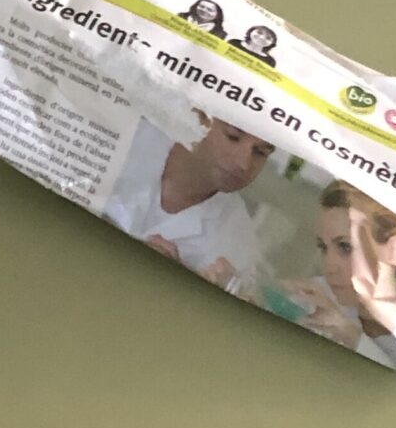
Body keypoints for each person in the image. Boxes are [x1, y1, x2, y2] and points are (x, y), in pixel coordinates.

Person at [284, 182, 396, 380]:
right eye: (323, 247)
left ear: (393, 250)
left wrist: (350, 335)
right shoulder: (317, 297)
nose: (329, 266)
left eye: (345, 247)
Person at [105, 113, 275, 294]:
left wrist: (173, 282)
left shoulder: (237, 246)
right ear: (200, 117)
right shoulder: (123, 133)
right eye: (233, 137)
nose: (243, 163)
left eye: (260, 152)